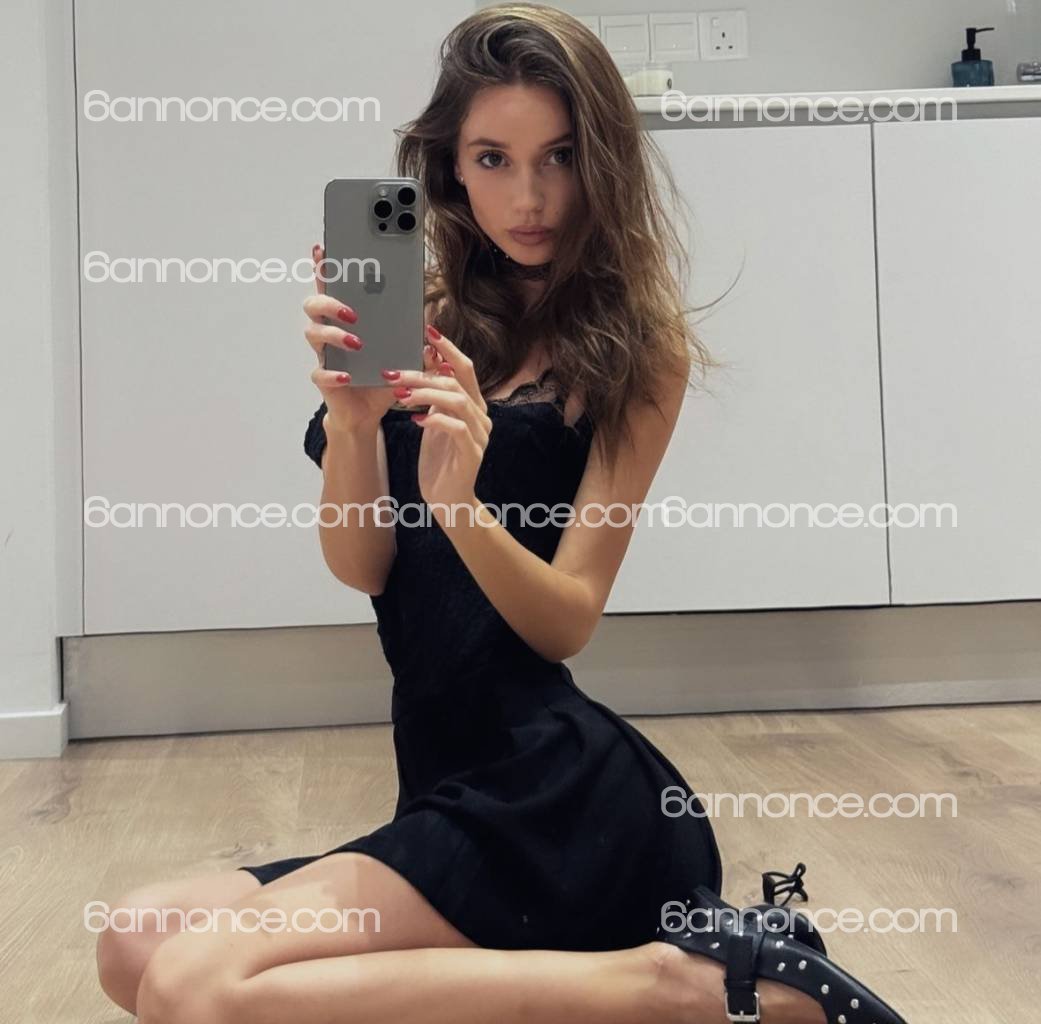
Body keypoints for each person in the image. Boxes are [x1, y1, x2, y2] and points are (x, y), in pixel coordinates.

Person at [96, 6, 906, 1023]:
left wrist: (459, 502)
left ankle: (688, 984)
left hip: (558, 792)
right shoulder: (420, 324)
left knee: (197, 984)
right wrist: (353, 424)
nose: (529, 197)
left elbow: (568, 618)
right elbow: (363, 568)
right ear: (451, 168)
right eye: (494, 159)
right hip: (446, 780)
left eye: (559, 157)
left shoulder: (632, 350)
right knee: (135, 942)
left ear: (602, 162)